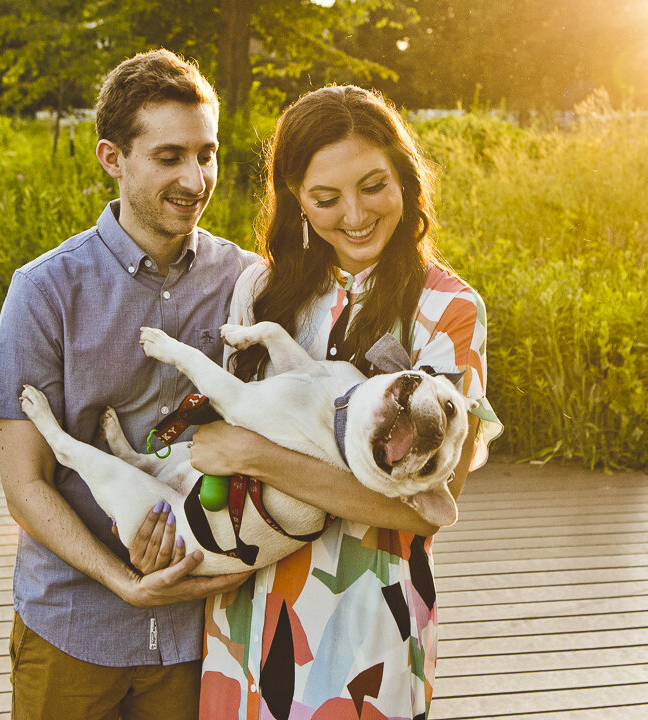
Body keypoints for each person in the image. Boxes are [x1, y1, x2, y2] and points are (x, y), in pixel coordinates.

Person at [189, 85, 503, 718]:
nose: (355, 215)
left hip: (364, 615)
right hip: (244, 596)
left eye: (373, 186)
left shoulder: (448, 313)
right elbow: (215, 440)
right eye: (326, 198)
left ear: (406, 181)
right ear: (297, 201)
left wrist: (257, 454)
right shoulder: (264, 289)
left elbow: (425, 512)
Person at [0, 49, 256, 720]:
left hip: (207, 633)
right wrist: (123, 581)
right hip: (74, 626)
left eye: (207, 154)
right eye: (169, 158)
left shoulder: (248, 281)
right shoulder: (43, 290)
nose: (196, 179)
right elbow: (24, 485)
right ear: (113, 158)